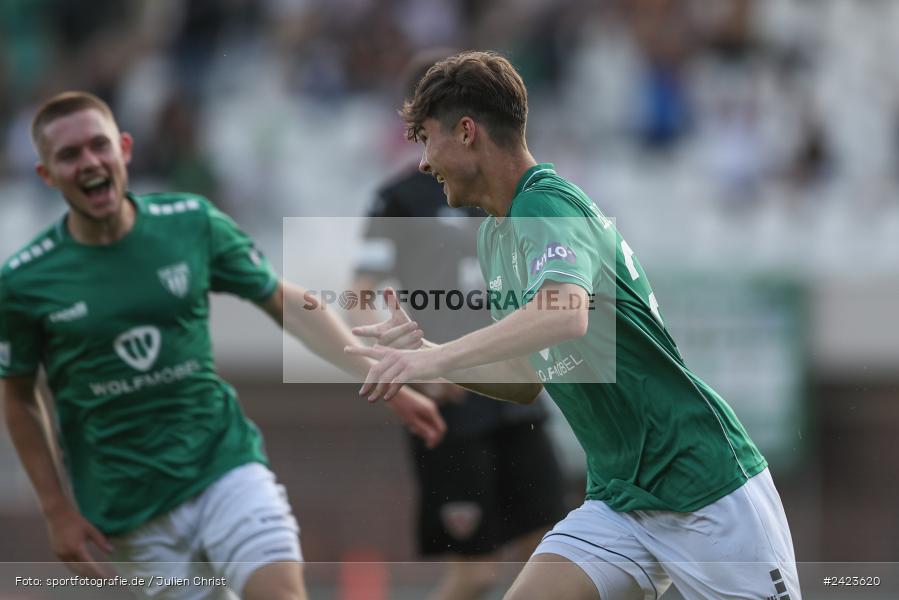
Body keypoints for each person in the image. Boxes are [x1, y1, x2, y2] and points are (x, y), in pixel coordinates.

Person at [348, 51, 802, 600]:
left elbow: (564, 312)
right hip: (620, 499)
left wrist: (435, 359)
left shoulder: (546, 204)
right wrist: (428, 352)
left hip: (701, 485)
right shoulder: (495, 235)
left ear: (466, 132)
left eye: (426, 139)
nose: (422, 162)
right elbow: (524, 379)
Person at [0, 91, 445, 600]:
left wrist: (380, 377)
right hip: (128, 510)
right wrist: (56, 509)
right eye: (69, 155)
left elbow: (284, 300)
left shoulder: (188, 221)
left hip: (224, 468)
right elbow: (17, 396)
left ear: (123, 148)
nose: (89, 162)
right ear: (46, 175)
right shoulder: (25, 281)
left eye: (98, 146)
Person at [348, 51, 568, 600]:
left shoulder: (507, 190)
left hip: (514, 393)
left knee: (553, 555)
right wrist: (409, 370)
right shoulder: (399, 198)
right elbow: (357, 297)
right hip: (452, 400)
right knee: (475, 574)